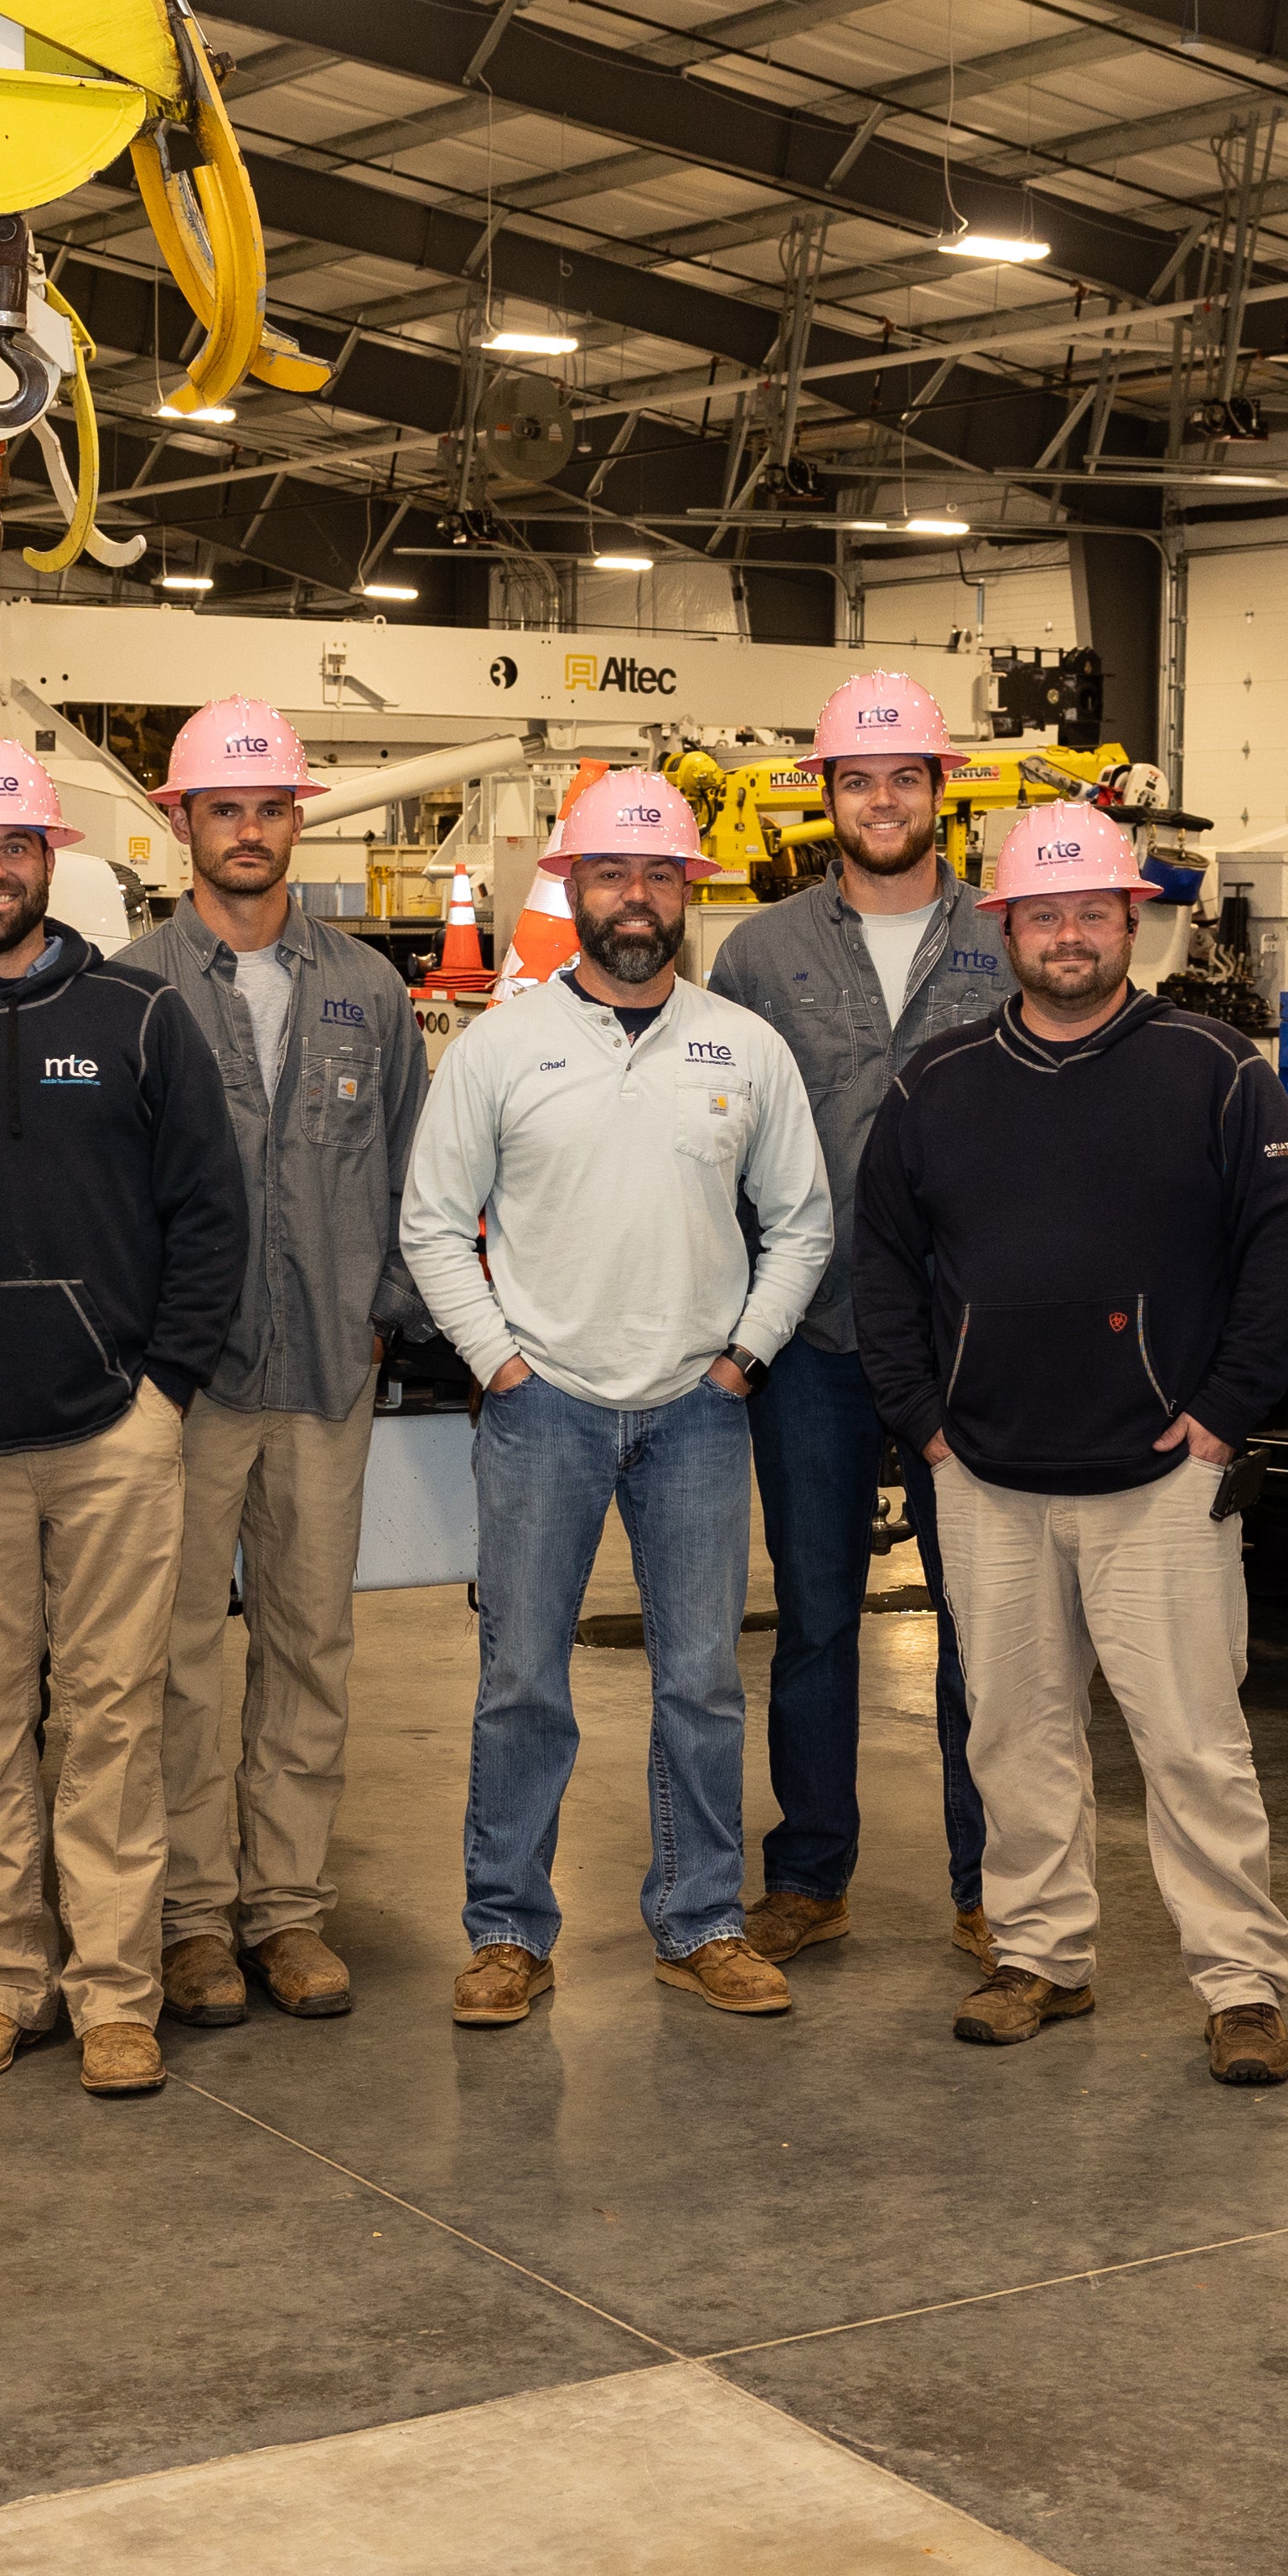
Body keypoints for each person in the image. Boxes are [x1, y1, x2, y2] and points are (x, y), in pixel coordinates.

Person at [854, 803, 1288, 2083]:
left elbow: (1277, 1262)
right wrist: (926, 1429)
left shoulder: (1219, 1072)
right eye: (1042, 914)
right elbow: (883, 1267)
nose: (1067, 935)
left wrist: (1222, 1418)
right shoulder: (935, 1085)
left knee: (1192, 1740)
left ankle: (1239, 1984)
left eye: (1091, 913)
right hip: (985, 1473)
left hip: (1163, 1475)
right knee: (1011, 1731)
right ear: (1005, 925)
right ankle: (1039, 1959)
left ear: (1131, 921)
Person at [0, 738, 247, 2102]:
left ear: (48, 860)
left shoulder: (136, 1020)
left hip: (111, 1441)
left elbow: (209, 1215)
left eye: (16, 847)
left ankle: (116, 1995)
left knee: (114, 1724)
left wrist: (165, 1392)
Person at [398, 772, 832, 2027]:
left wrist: (742, 1356)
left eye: (657, 877)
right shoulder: (504, 1043)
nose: (634, 899)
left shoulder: (742, 1046)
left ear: (688, 890)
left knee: (700, 1679)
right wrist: (502, 1364)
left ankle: (701, 1921)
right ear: (573, 888)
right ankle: (505, 1933)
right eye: (609, 875)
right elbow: (433, 1223)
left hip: (700, 1411)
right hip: (545, 1411)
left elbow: (801, 1223)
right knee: (521, 1677)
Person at [116, 697, 430, 2029]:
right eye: (224, 809)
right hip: (181, 1386)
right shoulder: (128, 987)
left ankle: (289, 1915)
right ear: (182, 823)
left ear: (298, 820)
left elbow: (422, 1175)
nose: (249, 831)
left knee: (311, 1646)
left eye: (270, 808)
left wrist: (386, 1316)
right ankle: (192, 1923)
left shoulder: (369, 991)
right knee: (177, 1656)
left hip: (325, 1374)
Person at [705, 670, 1013, 1967]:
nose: (880, 800)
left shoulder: (1010, 942)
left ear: (940, 794)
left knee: (985, 1620)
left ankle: (989, 1881)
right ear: (822, 797)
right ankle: (811, 1872)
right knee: (818, 1612)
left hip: (976, 1338)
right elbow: (715, 1138)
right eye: (856, 779)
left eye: (903, 778)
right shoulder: (760, 954)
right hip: (813, 1332)